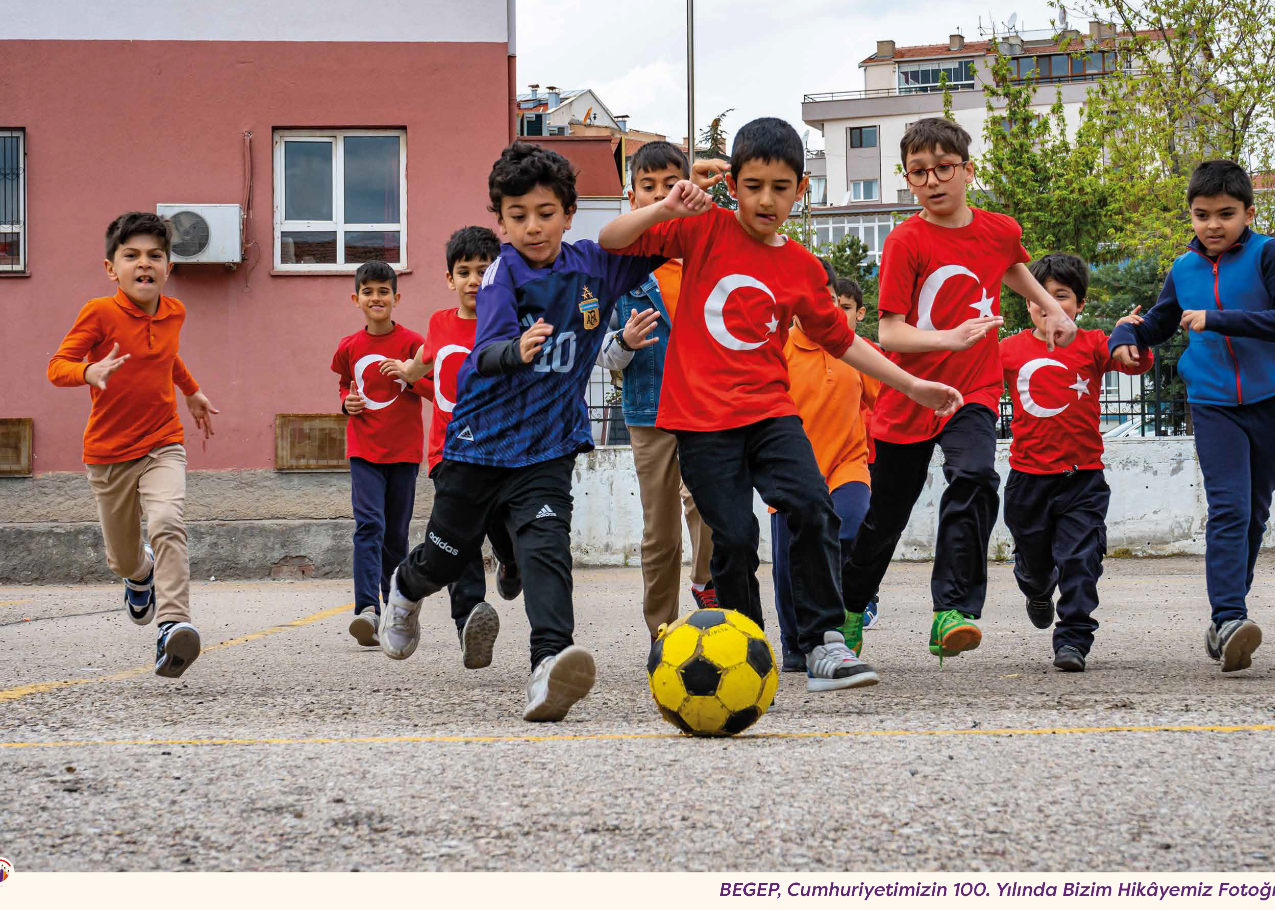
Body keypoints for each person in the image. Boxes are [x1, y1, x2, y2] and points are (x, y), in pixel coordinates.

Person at [599, 116, 963, 693]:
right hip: (700, 423)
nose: (766, 200)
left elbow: (843, 341)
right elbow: (611, 240)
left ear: (802, 189)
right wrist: (668, 206)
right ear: (733, 185)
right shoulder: (703, 229)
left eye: (780, 187)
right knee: (736, 537)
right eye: (752, 186)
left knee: (812, 506)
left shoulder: (800, 267)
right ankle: (746, 644)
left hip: (770, 414)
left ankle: (825, 644)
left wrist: (912, 386)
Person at [377, 142, 667, 722]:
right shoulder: (500, 275)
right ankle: (404, 592)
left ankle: (548, 667)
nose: (532, 227)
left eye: (544, 213)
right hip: (480, 446)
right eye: (517, 216)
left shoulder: (593, 265)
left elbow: (654, 243)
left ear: (567, 212)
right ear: (501, 220)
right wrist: (516, 349)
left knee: (545, 552)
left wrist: (674, 206)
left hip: (548, 449)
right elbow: (483, 352)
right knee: (445, 556)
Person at [839, 116, 1077, 664]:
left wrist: (1049, 307)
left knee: (974, 477)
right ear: (908, 179)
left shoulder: (998, 229)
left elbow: (1012, 265)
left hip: (973, 387)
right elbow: (891, 332)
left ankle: (952, 611)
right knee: (885, 519)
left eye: (944, 168)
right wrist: (951, 336)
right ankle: (849, 608)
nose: (933, 180)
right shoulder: (905, 241)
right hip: (912, 392)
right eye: (919, 172)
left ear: (967, 171)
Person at [1110, 159, 1275, 672]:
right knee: (1229, 508)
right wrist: (1124, 336)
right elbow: (1159, 320)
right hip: (1213, 403)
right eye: (1202, 215)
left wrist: (1217, 319)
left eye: (1226, 214)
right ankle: (1229, 616)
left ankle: (1226, 621)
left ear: (1248, 212)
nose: (1213, 225)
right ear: (1191, 216)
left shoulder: (1268, 254)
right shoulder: (1184, 268)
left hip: (1273, 399)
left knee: (1256, 511)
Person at [47, 211, 219, 678]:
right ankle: (138, 576)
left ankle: (173, 627)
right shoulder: (98, 312)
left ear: (169, 267)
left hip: (163, 442)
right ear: (112, 268)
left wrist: (193, 392)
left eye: (155, 256)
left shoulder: (174, 312)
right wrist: (89, 370)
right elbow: (57, 365)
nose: (144, 264)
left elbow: (168, 357)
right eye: (132, 256)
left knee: (167, 521)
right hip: (108, 455)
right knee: (123, 556)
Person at [998, 253, 1150, 671]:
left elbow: (1133, 360)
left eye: (1061, 296)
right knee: (1032, 563)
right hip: (1028, 480)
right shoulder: (1008, 350)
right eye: (1039, 297)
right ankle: (1037, 588)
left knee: (1082, 559)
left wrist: (1128, 341)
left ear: (1079, 304)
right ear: (1027, 303)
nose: (1048, 305)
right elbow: (973, 382)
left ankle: (1073, 639)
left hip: (1082, 478)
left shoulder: (1094, 343)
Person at [596, 139, 718, 641]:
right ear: (632, 198)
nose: (662, 195)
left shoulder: (706, 256)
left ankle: (707, 585)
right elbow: (600, 355)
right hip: (649, 413)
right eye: (649, 188)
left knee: (713, 512)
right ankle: (661, 630)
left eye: (672, 184)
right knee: (661, 534)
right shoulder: (623, 270)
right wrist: (624, 342)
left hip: (709, 410)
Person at [409, 225, 521, 668]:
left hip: (501, 453)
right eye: (465, 272)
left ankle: (511, 565)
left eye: (484, 270)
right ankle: (470, 617)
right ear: (449, 279)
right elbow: (426, 365)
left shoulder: (509, 323)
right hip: (449, 454)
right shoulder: (439, 322)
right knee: (462, 536)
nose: (475, 280)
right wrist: (407, 371)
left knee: (504, 527)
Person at [768, 257, 880, 673]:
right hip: (794, 472)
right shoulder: (780, 349)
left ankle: (847, 612)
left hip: (849, 464)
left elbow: (883, 400)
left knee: (851, 527)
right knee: (789, 564)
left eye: (831, 300)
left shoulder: (855, 348)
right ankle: (796, 643)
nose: (825, 308)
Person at [331, 261, 430, 650]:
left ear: (396, 298)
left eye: (383, 291)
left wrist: (409, 374)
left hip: (404, 452)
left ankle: (394, 609)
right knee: (367, 526)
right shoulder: (349, 347)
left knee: (395, 534)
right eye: (368, 292)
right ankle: (367, 610)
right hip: (364, 450)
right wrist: (346, 402)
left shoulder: (413, 344)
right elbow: (344, 382)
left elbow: (433, 388)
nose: (376, 298)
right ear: (357, 299)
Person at [833, 276, 883, 630]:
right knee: (835, 532)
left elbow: (891, 398)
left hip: (872, 456)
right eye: (833, 305)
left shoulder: (868, 354)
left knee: (863, 532)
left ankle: (866, 595)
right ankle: (839, 596)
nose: (838, 313)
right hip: (834, 455)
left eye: (846, 308)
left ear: (860, 313)